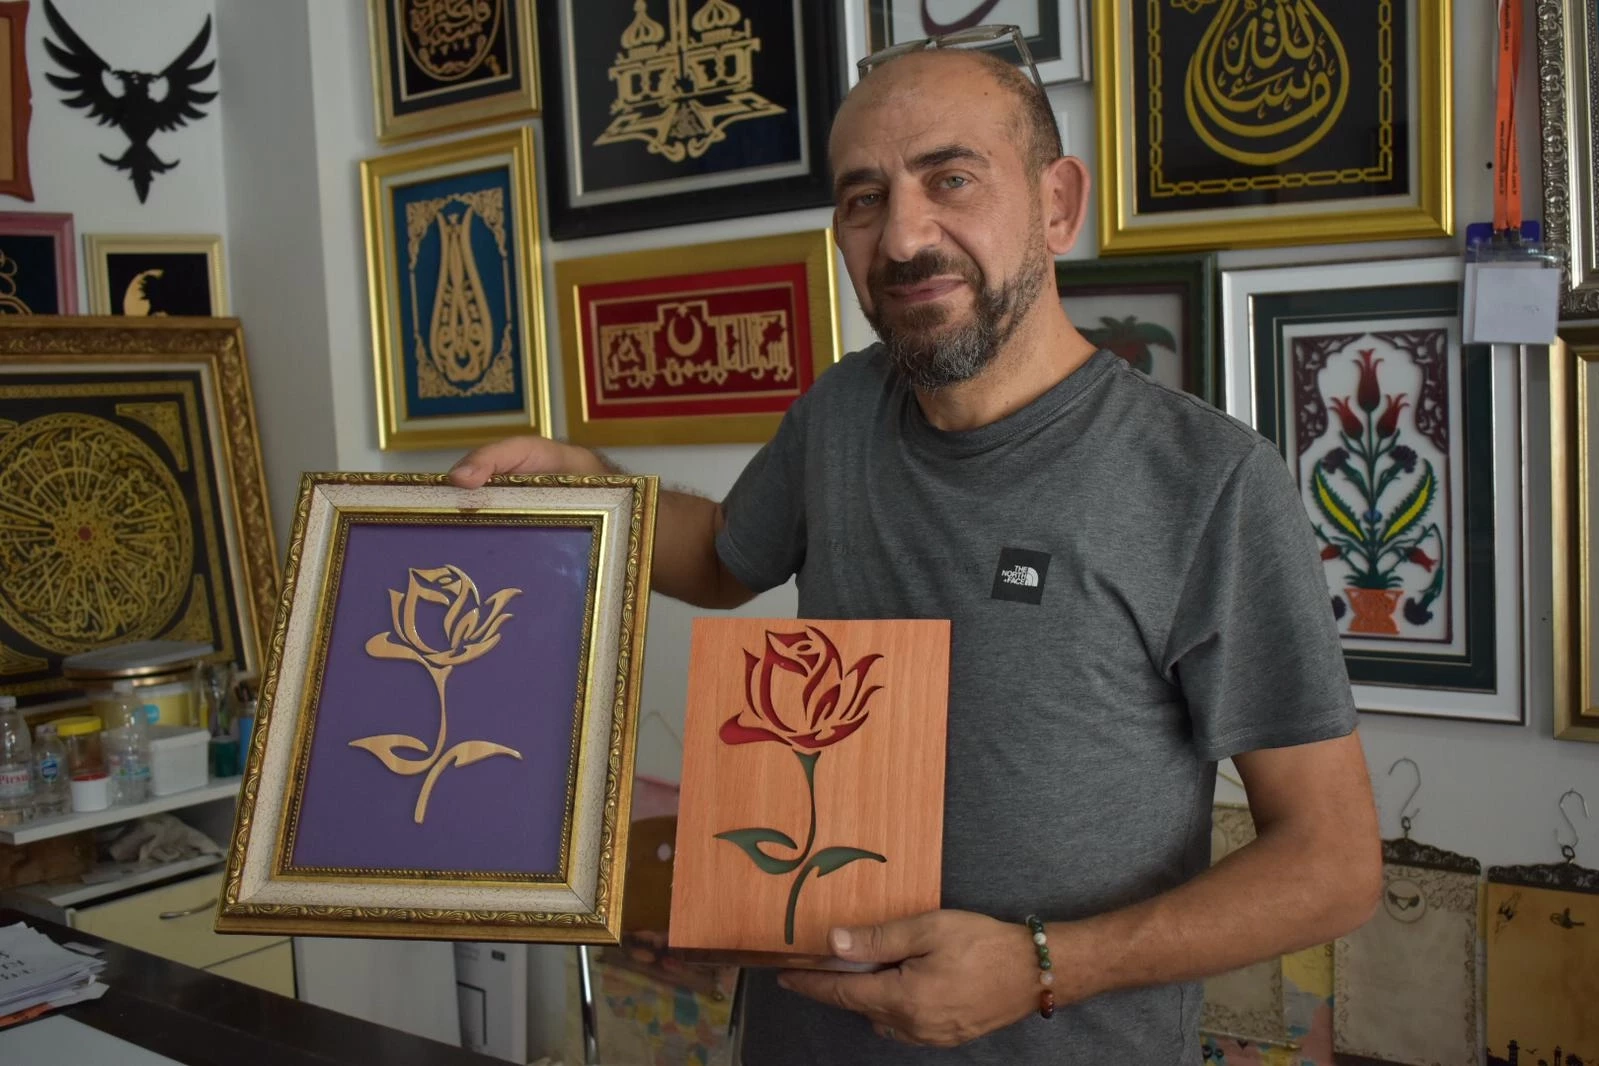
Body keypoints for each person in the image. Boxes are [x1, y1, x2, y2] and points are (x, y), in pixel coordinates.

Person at [450, 34, 1381, 1065]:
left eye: (951, 179)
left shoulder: (1208, 480)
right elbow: (718, 557)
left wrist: (1044, 965)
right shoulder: (841, 412)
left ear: (1058, 203)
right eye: (864, 198)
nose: (902, 237)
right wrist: (587, 483)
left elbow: (1333, 864)